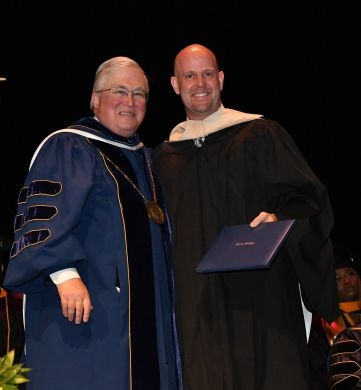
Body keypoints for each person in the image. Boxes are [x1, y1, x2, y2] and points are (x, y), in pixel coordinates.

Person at [152, 43, 338, 390]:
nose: (200, 83)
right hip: (195, 304)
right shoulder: (161, 159)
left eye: (207, 73)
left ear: (221, 78)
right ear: (175, 85)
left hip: (262, 299)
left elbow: (309, 200)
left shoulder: (260, 135)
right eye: (189, 75)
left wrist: (279, 219)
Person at [2, 56, 182, 390]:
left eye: (140, 93)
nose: (130, 101)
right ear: (95, 99)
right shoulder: (70, 145)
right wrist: (64, 274)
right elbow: (41, 216)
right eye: (120, 90)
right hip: (88, 308)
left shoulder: (148, 158)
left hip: (143, 318)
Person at [308, 247, 361, 389]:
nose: (347, 281)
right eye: (338, 278)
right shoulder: (321, 325)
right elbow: (319, 369)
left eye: (350, 274)